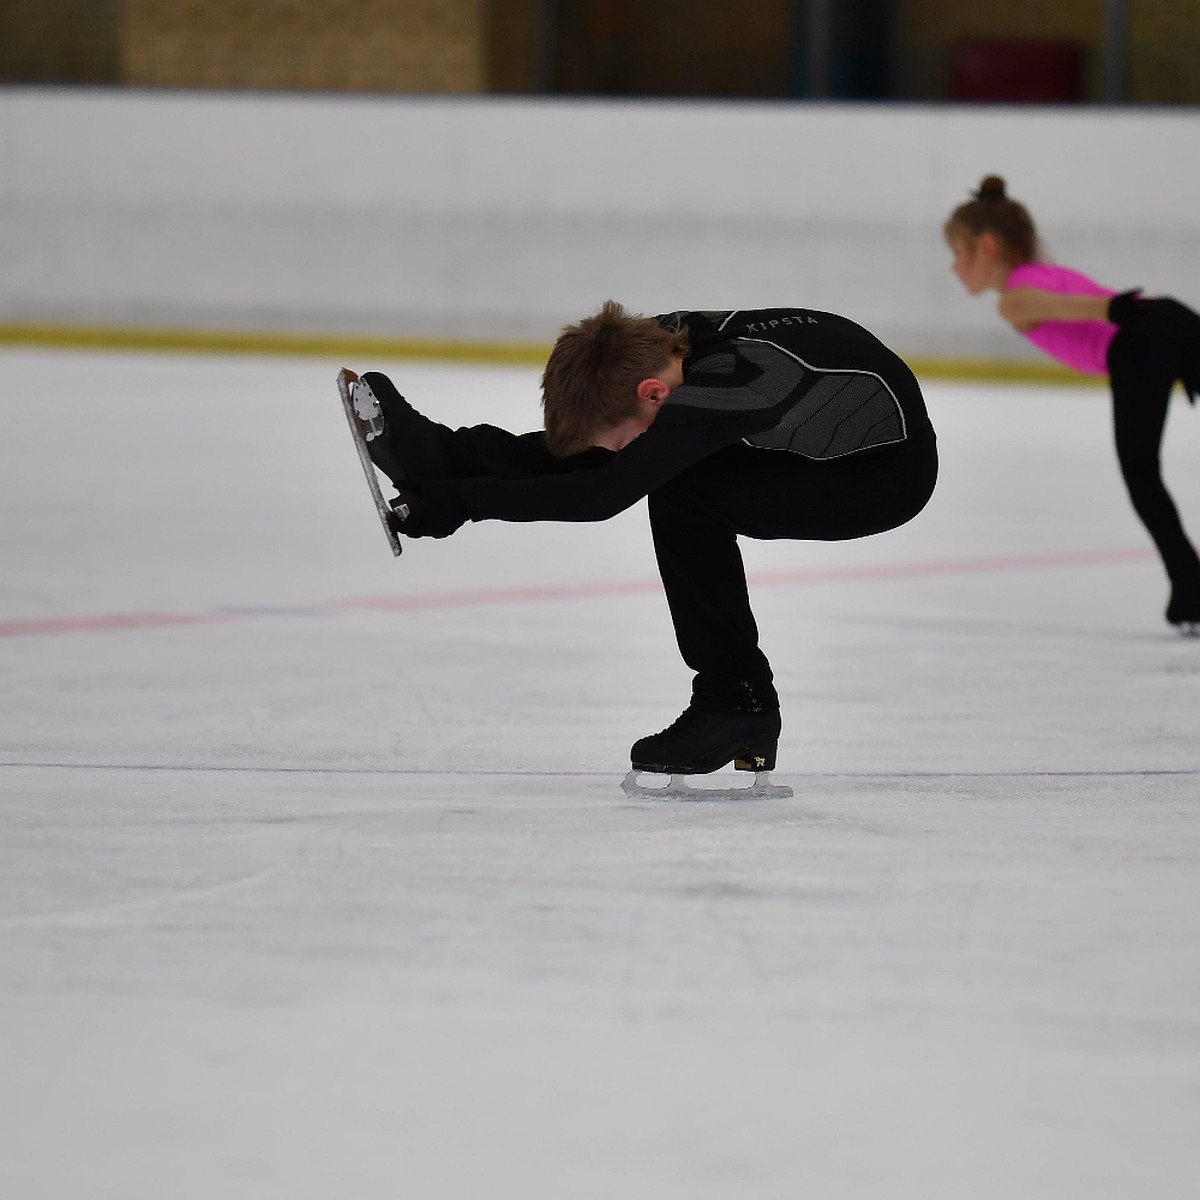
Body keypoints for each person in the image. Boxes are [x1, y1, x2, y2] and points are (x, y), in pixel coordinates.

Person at [348, 301, 938, 781]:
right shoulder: (650, 348)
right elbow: (603, 449)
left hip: (881, 477)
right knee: (642, 456)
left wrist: (466, 504)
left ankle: (737, 703)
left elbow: (605, 494)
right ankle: (439, 451)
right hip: (798, 435)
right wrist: (449, 473)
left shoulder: (738, 380)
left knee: (683, 490)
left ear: (655, 393)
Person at [945, 175, 1200, 634]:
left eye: (958, 253)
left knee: (1142, 477)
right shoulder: (1043, 272)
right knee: (1144, 476)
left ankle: (1192, 592)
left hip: (1139, 342)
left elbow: (1054, 306)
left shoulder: (1014, 299)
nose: (954, 267)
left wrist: (1109, 312)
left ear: (987, 246)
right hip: (1171, 319)